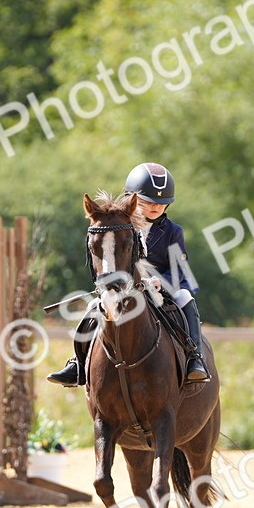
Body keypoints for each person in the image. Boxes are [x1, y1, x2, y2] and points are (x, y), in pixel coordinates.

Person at [47, 161, 212, 386]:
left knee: (186, 297)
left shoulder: (173, 232)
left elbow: (180, 272)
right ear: (132, 200)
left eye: (161, 204)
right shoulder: (120, 228)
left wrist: (158, 282)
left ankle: (195, 359)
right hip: (123, 288)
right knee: (91, 307)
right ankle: (77, 363)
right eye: (148, 202)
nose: (155, 207)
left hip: (160, 291)